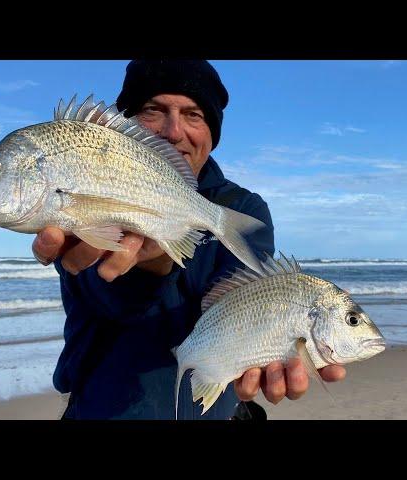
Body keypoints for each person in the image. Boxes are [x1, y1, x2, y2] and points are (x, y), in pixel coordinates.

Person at [32, 60, 346, 419]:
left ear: (212, 133)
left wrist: (280, 338)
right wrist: (149, 266)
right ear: (124, 125)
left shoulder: (242, 209)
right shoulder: (88, 185)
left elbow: (244, 303)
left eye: (194, 114)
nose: (173, 131)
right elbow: (106, 303)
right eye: (153, 110)